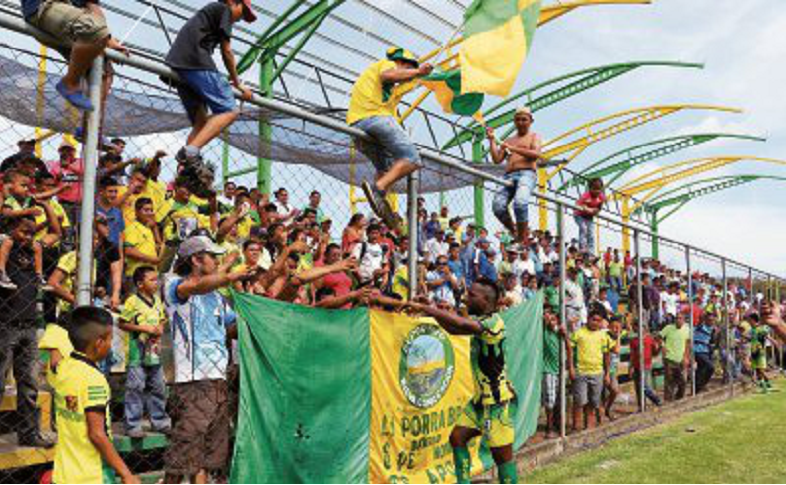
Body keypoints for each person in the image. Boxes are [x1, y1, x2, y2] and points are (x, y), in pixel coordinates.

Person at [409, 278, 520, 484]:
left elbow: (460, 323)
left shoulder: (494, 323)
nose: (466, 298)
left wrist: (428, 309)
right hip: (478, 402)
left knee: (502, 458)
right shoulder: (482, 321)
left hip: (497, 404)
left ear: (486, 301)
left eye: (472, 295)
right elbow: (454, 329)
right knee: (457, 437)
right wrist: (430, 309)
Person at [163, 235, 254, 483]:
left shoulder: (215, 297)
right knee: (184, 454)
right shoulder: (174, 284)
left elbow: (232, 328)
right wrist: (230, 275)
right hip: (193, 380)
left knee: (207, 455)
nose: (217, 261)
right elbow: (195, 286)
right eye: (212, 256)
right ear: (196, 259)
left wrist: (255, 320)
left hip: (218, 380)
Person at [164, 0, 256, 192]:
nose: (240, 18)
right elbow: (227, 51)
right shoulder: (223, 9)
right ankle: (190, 153)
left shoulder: (208, 14)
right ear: (233, 2)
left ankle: (185, 171)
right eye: (242, 12)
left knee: (201, 122)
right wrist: (238, 83)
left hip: (180, 63)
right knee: (230, 109)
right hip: (195, 61)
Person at [348, 47, 433, 229]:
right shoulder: (386, 65)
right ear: (401, 63)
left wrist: (424, 76)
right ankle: (378, 189)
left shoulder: (387, 92)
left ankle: (380, 204)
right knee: (412, 158)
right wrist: (418, 71)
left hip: (357, 127)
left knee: (386, 169)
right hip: (373, 118)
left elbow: (410, 83)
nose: (408, 74)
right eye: (407, 69)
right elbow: (389, 75)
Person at [52, 306, 139, 484]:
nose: (110, 345)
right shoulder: (94, 380)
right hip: (92, 475)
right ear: (99, 343)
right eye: (110, 340)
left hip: (63, 474)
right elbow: (97, 434)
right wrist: (126, 474)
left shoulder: (63, 367)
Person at [0, 216, 53, 448]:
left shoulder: (34, 253)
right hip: (6, 325)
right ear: (11, 231)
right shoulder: (5, 249)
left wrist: (46, 207)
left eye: (32, 233)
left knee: (29, 384)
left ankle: (29, 433)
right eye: (23, 232)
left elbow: (55, 231)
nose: (28, 237)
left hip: (29, 326)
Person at [21, 0, 127, 112]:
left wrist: (108, 40)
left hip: (72, 21)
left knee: (103, 71)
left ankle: (90, 127)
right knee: (93, 28)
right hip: (44, 7)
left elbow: (92, 6)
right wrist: (101, 35)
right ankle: (70, 83)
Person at [118, 266, 171, 438]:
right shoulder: (132, 301)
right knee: (136, 387)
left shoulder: (157, 300)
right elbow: (122, 323)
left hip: (154, 351)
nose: (157, 283)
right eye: (152, 280)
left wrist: (160, 328)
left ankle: (160, 421)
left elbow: (163, 318)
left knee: (158, 387)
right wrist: (144, 328)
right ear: (140, 284)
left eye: (158, 279)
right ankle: (133, 424)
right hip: (137, 352)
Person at [487, 106, 542, 246]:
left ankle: (522, 239)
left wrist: (514, 149)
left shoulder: (534, 137)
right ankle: (515, 232)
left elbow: (536, 155)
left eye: (524, 119)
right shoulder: (509, 140)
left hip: (526, 173)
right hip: (509, 176)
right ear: (514, 121)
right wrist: (492, 140)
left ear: (530, 121)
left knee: (520, 202)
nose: (521, 122)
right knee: (498, 206)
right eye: (518, 119)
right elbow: (497, 159)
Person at [568, 306, 613, 432]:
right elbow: (570, 351)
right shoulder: (578, 333)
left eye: (599, 320)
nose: (596, 323)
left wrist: (607, 373)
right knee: (579, 401)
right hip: (581, 372)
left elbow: (607, 355)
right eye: (594, 320)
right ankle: (576, 427)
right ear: (588, 319)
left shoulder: (603, 335)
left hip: (597, 373)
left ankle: (589, 427)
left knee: (593, 402)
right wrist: (571, 367)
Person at [542, 304, 570, 439]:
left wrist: (570, 367)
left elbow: (569, 349)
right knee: (550, 400)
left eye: (554, 319)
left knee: (560, 398)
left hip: (560, 370)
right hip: (548, 370)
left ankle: (558, 424)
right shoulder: (543, 331)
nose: (551, 321)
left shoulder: (560, 332)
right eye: (549, 318)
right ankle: (549, 426)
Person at [659, 309, 692, 401]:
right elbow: (659, 337)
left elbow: (688, 344)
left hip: (681, 358)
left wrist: (686, 357)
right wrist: (663, 346)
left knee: (683, 381)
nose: (678, 320)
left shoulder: (687, 329)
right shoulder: (668, 328)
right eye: (677, 318)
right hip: (669, 358)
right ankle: (668, 401)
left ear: (684, 320)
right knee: (669, 381)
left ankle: (679, 398)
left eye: (680, 318)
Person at [629, 325, 662, 407]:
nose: (638, 330)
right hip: (636, 366)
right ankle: (641, 406)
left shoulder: (649, 339)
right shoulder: (634, 341)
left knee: (643, 386)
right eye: (637, 328)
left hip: (646, 365)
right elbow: (632, 355)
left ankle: (656, 399)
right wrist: (630, 367)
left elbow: (655, 353)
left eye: (641, 328)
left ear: (645, 329)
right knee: (638, 387)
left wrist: (660, 346)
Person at [574, 178, 605, 254]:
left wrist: (595, 211)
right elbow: (580, 205)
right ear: (590, 188)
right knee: (584, 228)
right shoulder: (586, 195)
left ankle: (591, 252)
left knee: (591, 233)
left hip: (589, 217)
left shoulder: (601, 197)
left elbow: (599, 208)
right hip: (579, 215)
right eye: (594, 189)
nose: (597, 191)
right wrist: (588, 209)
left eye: (599, 189)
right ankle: (582, 247)